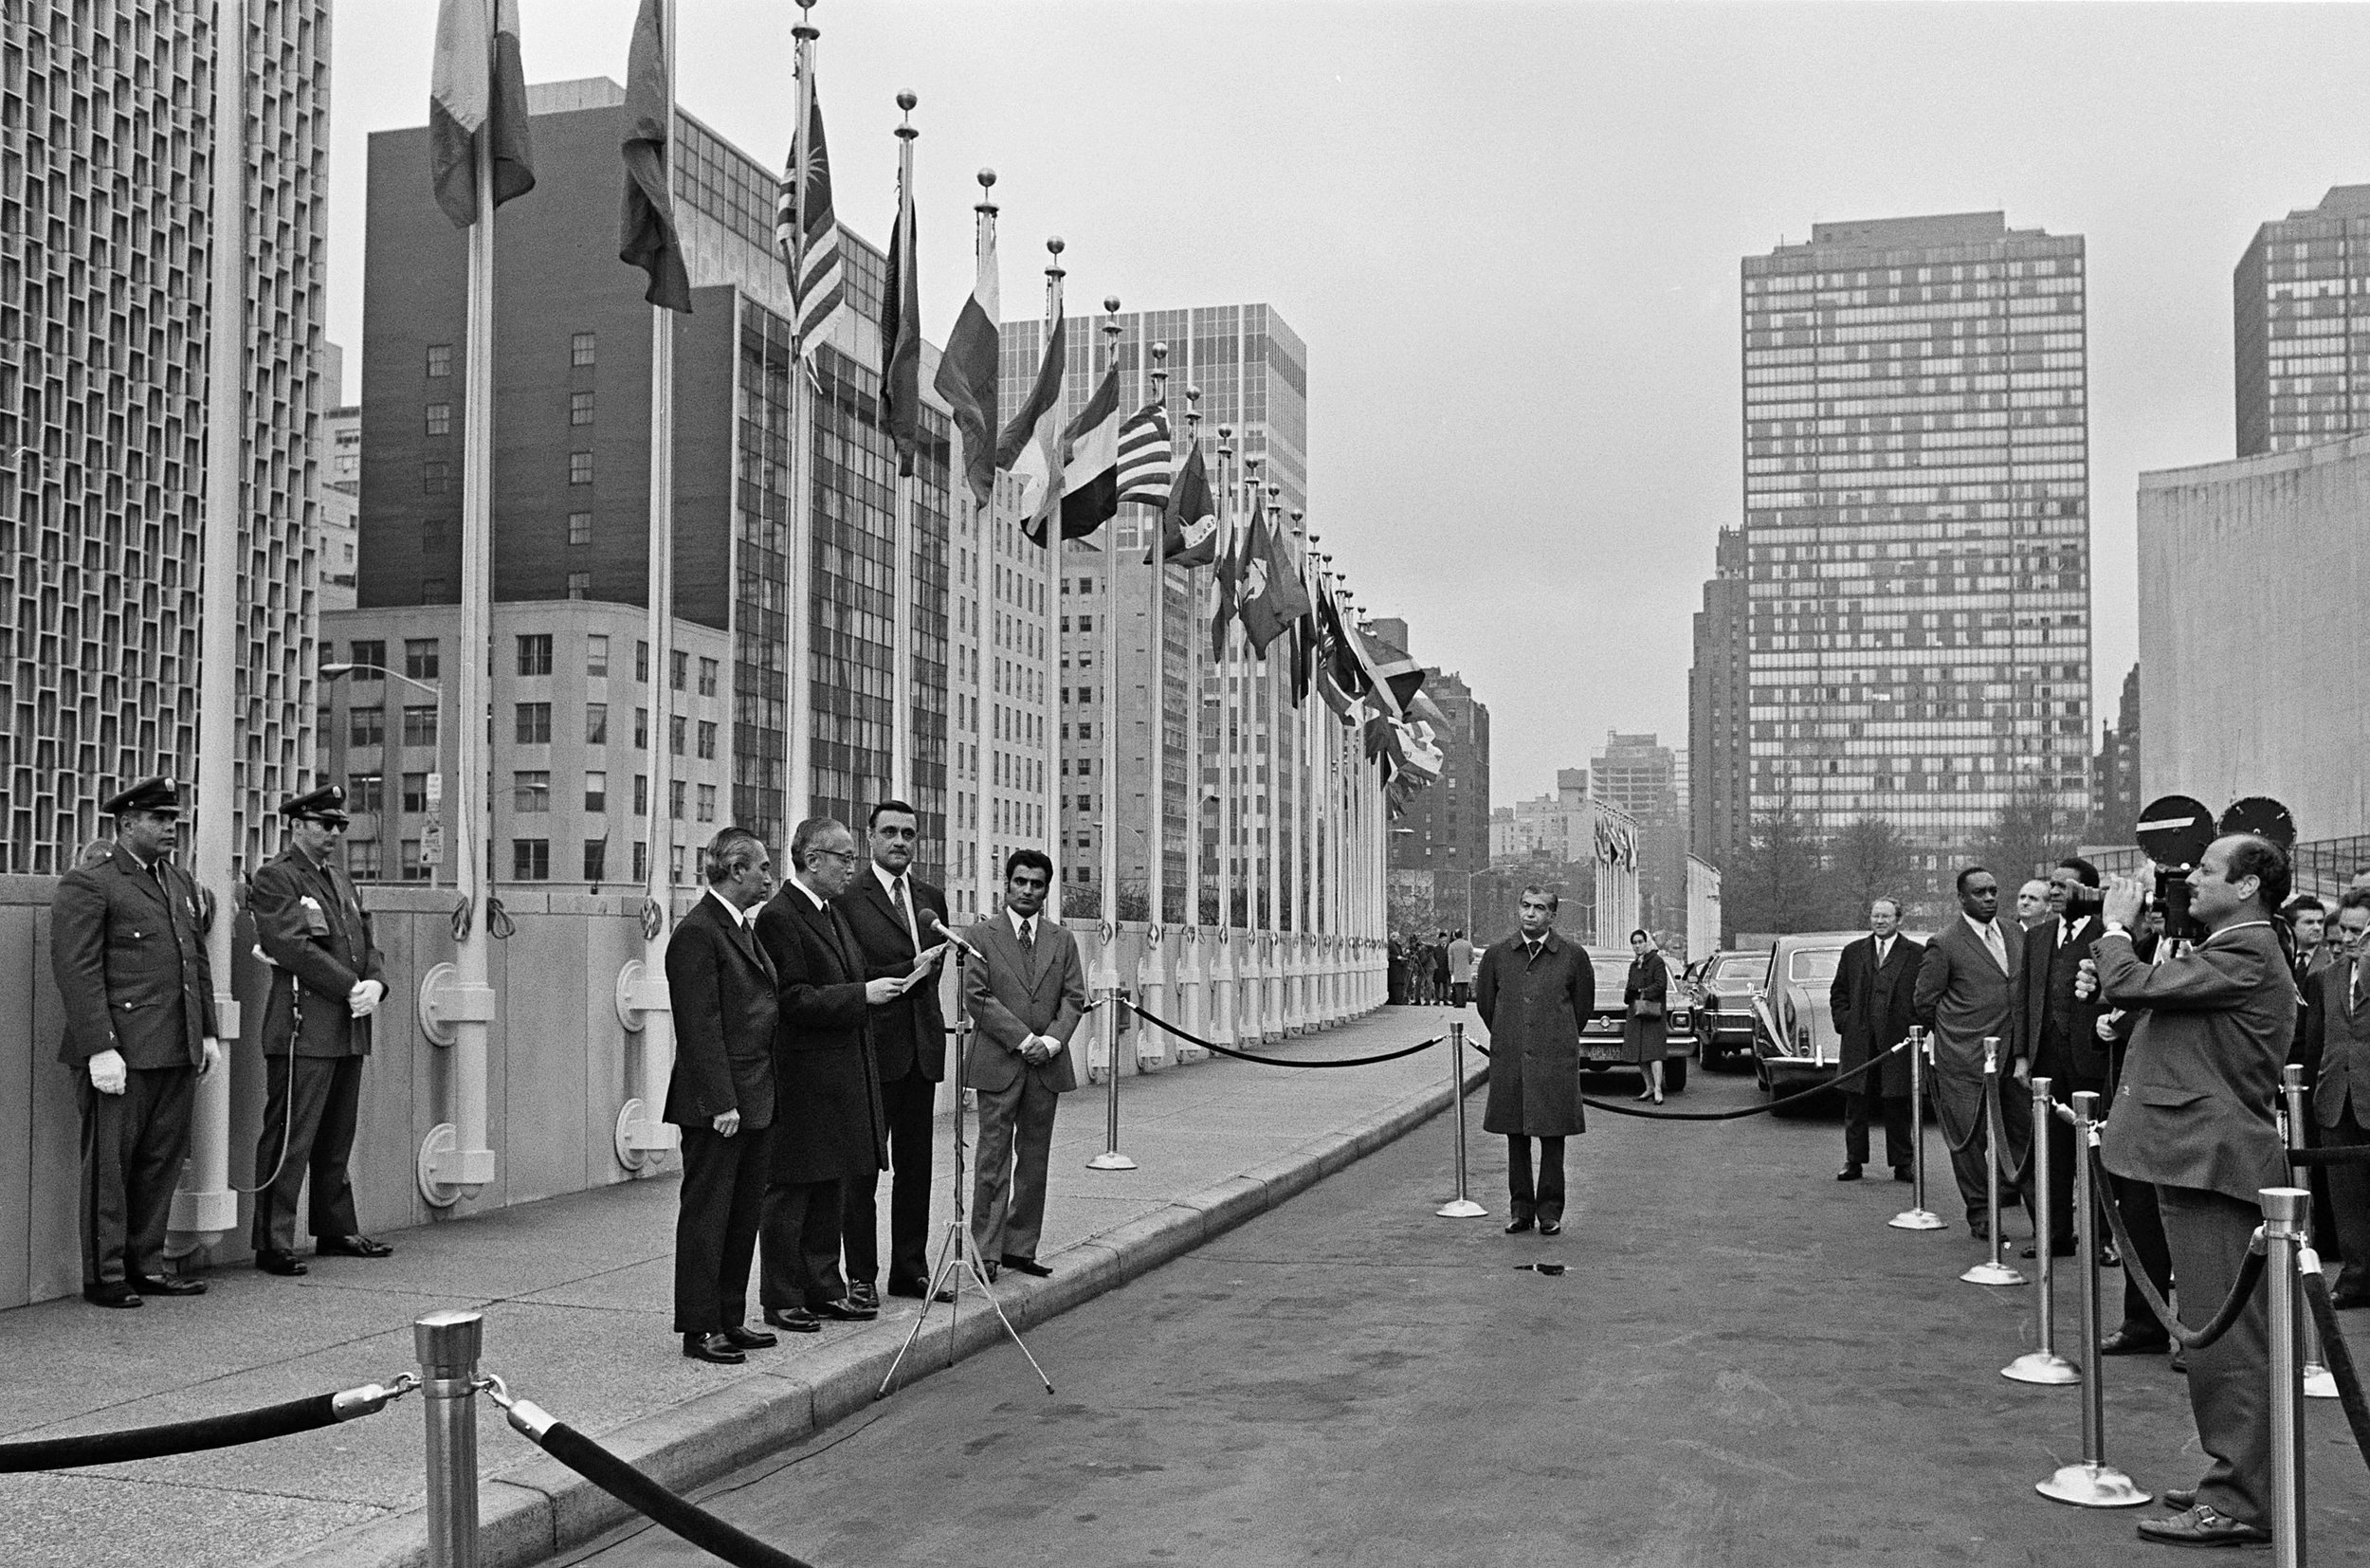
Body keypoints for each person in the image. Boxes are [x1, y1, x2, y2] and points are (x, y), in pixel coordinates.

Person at [2093, 835, 2295, 1548]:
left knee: (2226, 1344)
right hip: (2199, 1159)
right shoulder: (2234, 950)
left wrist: (2117, 931)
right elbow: (2172, 1008)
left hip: (2213, 1164)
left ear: (2247, 887)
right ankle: (2238, 1480)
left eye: (2208, 870)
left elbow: (2136, 983)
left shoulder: (2247, 950)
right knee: (2220, 1339)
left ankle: (2239, 1499)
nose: (2193, 880)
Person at [50, 777, 221, 1307]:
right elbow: (76, 969)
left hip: (174, 1045)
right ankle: (104, 1275)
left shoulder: (176, 882)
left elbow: (195, 962)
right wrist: (100, 1046)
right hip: (121, 1050)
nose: (171, 828)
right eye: (158, 819)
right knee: (110, 1168)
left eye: (173, 819)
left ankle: (146, 1264)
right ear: (126, 824)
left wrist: (208, 1032)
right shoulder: (93, 882)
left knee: (159, 1163)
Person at [753, 818, 892, 1334]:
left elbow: (844, 980)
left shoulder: (832, 913)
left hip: (839, 1075)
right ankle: (783, 1296)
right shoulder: (780, 917)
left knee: (829, 1186)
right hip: (802, 1077)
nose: (851, 868)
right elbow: (789, 999)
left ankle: (823, 1286)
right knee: (792, 1191)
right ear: (812, 860)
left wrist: (894, 979)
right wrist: (861, 996)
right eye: (844, 858)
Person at [246, 786, 392, 1277]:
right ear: (296, 825)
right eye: (322, 824)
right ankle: (273, 1241)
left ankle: (334, 1227)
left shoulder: (341, 882)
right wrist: (351, 985)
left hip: (346, 1027)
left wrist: (375, 981)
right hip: (302, 1028)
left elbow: (366, 940)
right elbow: (291, 946)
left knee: (336, 1137)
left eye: (338, 826)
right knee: (291, 1136)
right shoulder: (277, 877)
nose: (332, 834)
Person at [664, 827, 780, 1364]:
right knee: (709, 1214)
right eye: (761, 868)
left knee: (741, 1215)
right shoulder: (698, 933)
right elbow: (699, 1026)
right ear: (735, 871)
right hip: (721, 1104)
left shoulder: (740, 927)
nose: (767, 877)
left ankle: (729, 1317)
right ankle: (699, 1325)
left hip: (754, 1095)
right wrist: (721, 1103)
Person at [830, 800, 948, 1307]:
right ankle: (861, 1275)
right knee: (861, 1170)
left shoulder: (930, 898)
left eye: (909, 834)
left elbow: (937, 967)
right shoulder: (849, 899)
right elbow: (857, 968)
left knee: (916, 1167)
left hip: (920, 1049)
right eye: (891, 832)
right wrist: (909, 966)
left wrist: (921, 968)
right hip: (872, 1050)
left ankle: (910, 1269)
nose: (901, 841)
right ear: (871, 838)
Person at [962, 849, 1086, 1279]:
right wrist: (1024, 1040)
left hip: (1045, 1066)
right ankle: (987, 1252)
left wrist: (1051, 1041)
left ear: (1047, 890)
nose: (1027, 890)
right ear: (1007, 884)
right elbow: (977, 997)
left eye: (1036, 884)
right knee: (991, 1161)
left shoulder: (1062, 939)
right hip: (999, 1063)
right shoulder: (981, 937)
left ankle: (1020, 1247)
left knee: (1034, 1160)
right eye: (1020, 882)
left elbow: (1074, 998)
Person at [1912, 866, 2032, 1242]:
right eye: (1979, 893)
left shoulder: (2016, 932)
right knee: (1969, 1142)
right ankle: (1982, 1216)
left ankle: (2045, 1218)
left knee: (2025, 1136)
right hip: (1964, 1061)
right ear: (1962, 898)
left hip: (2015, 1057)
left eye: (1993, 891)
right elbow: (1924, 1001)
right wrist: (1956, 1038)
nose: (1989, 898)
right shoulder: (1945, 943)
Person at [1476, 886, 1594, 1236]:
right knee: (1516, 1136)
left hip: (1554, 1061)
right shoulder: (1497, 956)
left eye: (1539, 908)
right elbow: (1487, 1006)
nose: (1530, 913)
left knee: (1553, 1137)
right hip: (1511, 1059)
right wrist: (1510, 1036)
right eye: (1525, 906)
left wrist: (1554, 1037)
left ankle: (1550, 1212)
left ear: (1552, 916)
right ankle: (1521, 1210)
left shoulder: (1572, 957)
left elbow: (1581, 1009)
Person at [2009, 856, 2109, 1260]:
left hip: (2094, 1059)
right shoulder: (2039, 936)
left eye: (2062, 886)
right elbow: (2024, 1000)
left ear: (2087, 892)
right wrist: (2020, 1056)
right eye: (2051, 885)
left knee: (2097, 1151)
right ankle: (2055, 1235)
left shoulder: (2111, 936)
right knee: (2052, 1152)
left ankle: (2102, 1239)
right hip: (2047, 1060)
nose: (2053, 892)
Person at [2303, 890, 2370, 1308]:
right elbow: (2315, 1043)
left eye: (2358, 931)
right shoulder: (2324, 978)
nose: (2348, 938)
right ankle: (2356, 1276)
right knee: (2347, 1197)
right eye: (2343, 929)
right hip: (2335, 1098)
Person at [1829, 898, 1923, 1182]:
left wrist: (1917, 1030)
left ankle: (1903, 1163)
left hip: (1898, 1041)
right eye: (1875, 916)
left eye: (1886, 916)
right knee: (1856, 1102)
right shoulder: (1854, 952)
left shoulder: (1916, 954)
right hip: (1859, 1040)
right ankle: (1853, 1161)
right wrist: (1844, 1021)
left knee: (1898, 1102)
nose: (1880, 921)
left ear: (1899, 920)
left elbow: (1925, 995)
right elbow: (1839, 992)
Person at [1621, 928, 1668, 1104]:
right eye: (1634, 943)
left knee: (1654, 1052)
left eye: (1640, 942)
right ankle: (1648, 1086)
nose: (1637, 946)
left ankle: (1657, 1088)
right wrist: (1629, 994)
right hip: (1636, 1013)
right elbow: (1629, 987)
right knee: (1639, 1053)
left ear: (1647, 942)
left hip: (1652, 1012)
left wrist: (1641, 992)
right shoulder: (1634, 965)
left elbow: (1660, 985)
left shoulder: (1657, 962)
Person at [1447, 929, 1476, 1009]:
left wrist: (1450, 969)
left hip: (1456, 968)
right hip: (1466, 967)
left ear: (1455, 936)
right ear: (1462, 935)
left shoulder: (1452, 945)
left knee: (1458, 986)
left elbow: (1450, 959)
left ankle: (1459, 1003)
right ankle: (1464, 1003)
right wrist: (1468, 962)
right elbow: (1472, 957)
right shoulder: (1468, 944)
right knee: (1465, 986)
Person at [1431, 931, 1451, 1007]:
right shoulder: (1436, 948)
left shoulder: (1450, 947)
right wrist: (1435, 967)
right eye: (1442, 938)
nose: (1443, 940)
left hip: (1446, 969)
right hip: (1438, 969)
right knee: (1437, 985)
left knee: (1446, 985)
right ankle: (1437, 999)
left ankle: (1446, 999)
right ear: (1439, 939)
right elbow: (1433, 958)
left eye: (1445, 938)